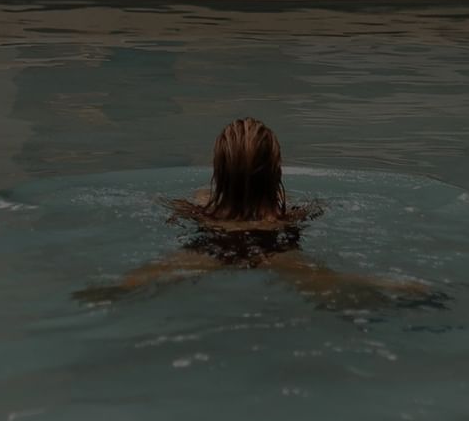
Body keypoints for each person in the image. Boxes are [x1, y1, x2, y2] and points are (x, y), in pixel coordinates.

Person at [78, 117, 436, 308]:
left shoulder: (202, 204)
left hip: (213, 244)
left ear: (219, 170)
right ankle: (403, 290)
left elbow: (196, 200)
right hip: (274, 248)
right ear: (275, 171)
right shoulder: (288, 212)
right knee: (331, 285)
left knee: (140, 281)